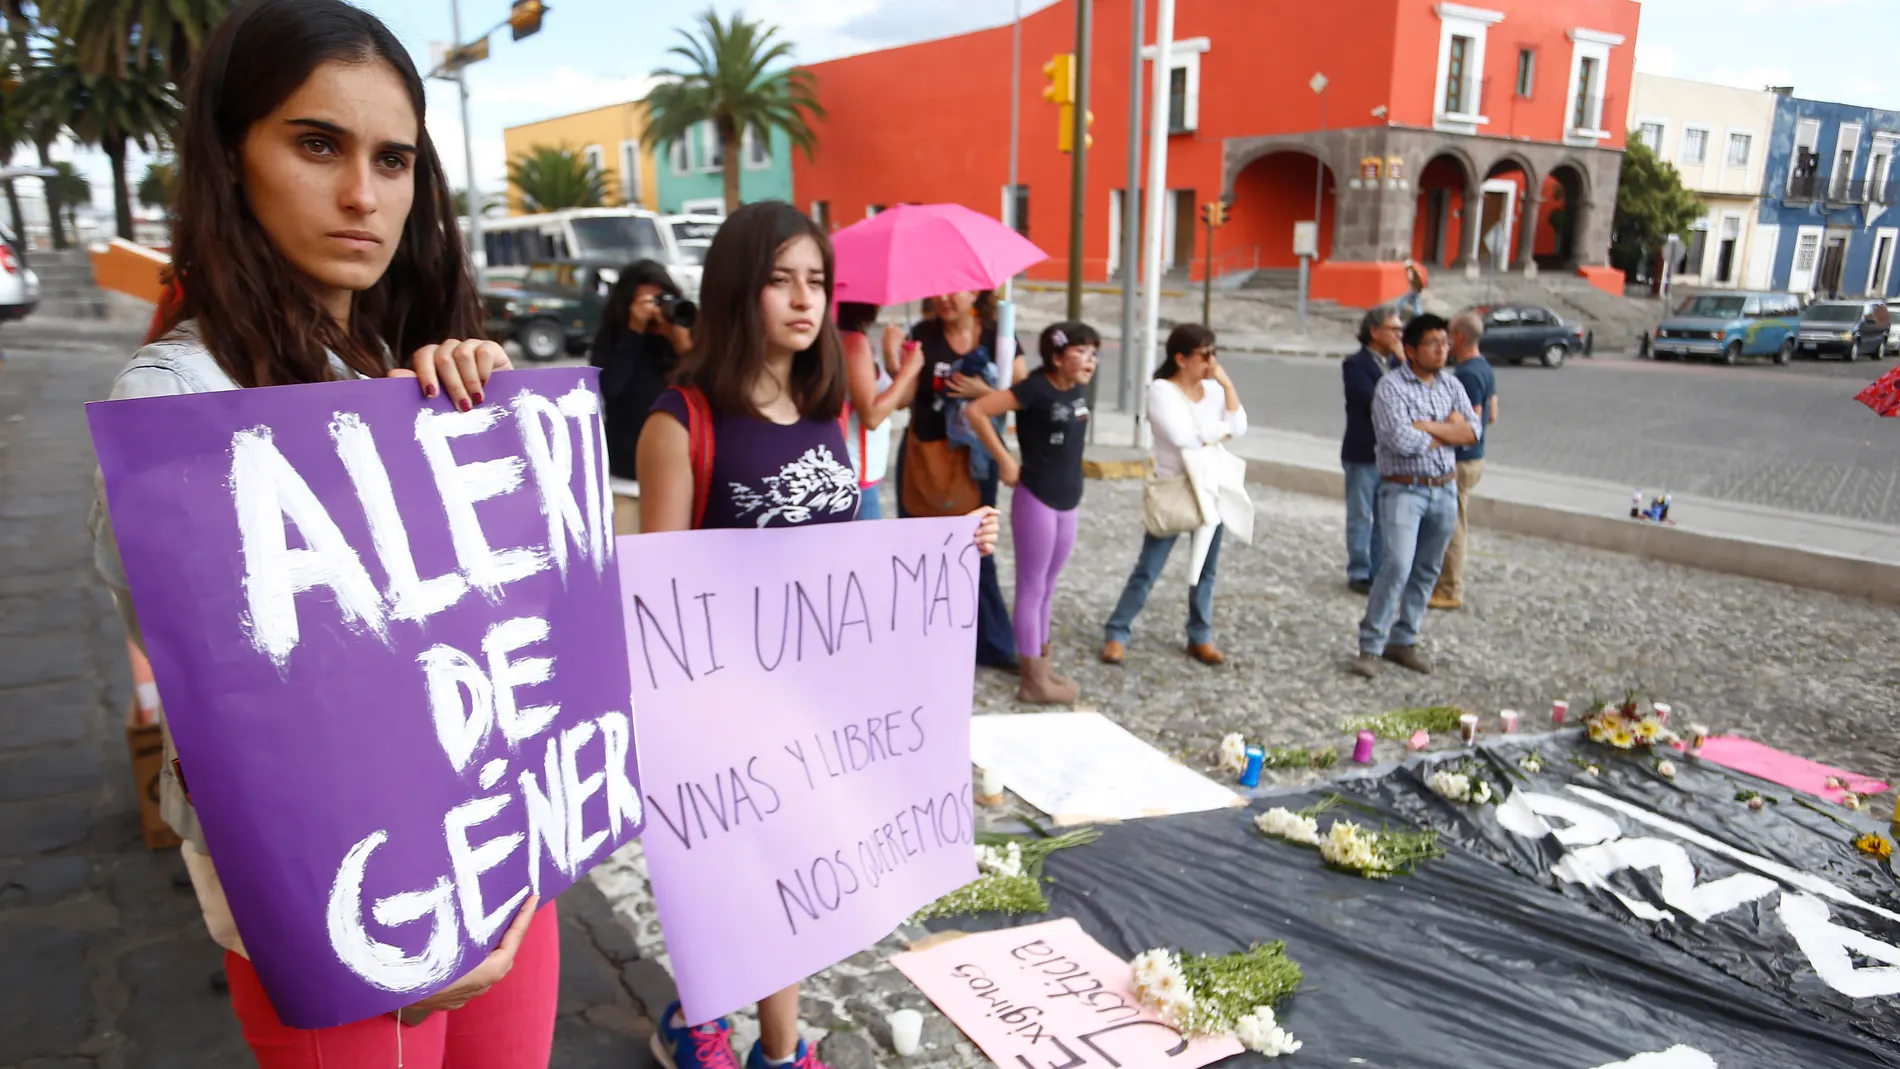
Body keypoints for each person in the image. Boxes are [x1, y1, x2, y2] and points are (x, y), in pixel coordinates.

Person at [87, 1, 550, 1064]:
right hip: (346, 904)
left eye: (393, 161)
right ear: (228, 157)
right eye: (316, 145)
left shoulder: (401, 365)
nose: (362, 196)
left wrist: (484, 424)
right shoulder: (176, 398)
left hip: (498, 854)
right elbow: (234, 711)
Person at [635, 200, 999, 1069]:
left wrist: (949, 548)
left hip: (819, 695)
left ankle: (757, 1038)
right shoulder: (679, 422)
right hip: (726, 707)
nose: (805, 300)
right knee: (739, 877)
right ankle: (727, 1029)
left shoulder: (824, 408)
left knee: (794, 875)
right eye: (780, 280)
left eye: (817, 281)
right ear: (737, 289)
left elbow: (841, 553)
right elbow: (661, 597)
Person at [966, 321, 1099, 702]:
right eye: (1080, 352)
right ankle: (1031, 680)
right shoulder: (1034, 388)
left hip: (1069, 498)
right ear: (1057, 357)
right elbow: (978, 411)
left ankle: (1042, 663)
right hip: (1036, 498)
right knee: (1032, 585)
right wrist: (1005, 460)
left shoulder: (1076, 388)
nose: (1090, 360)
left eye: (1093, 353)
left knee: (1049, 585)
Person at [1101, 324, 1247, 668]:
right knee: (1149, 567)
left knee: (1206, 568)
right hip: (1176, 487)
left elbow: (1239, 427)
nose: (1211, 362)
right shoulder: (1162, 390)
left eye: (1214, 353)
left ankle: (1200, 636)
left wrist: (1227, 385)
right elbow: (1183, 438)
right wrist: (1219, 434)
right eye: (1205, 355)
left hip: (1211, 486)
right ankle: (1117, 631)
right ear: (1181, 358)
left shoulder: (1215, 389)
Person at [900, 289, 1027, 671]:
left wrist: (983, 393)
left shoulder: (997, 334)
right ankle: (924, 639)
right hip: (925, 456)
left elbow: (1021, 393)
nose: (944, 297)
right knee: (920, 549)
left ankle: (994, 643)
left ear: (976, 292)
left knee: (977, 549)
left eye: (955, 290)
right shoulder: (922, 333)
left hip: (977, 460)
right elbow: (905, 397)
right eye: (938, 290)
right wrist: (895, 357)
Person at [1350, 313, 1480, 678]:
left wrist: (1427, 428)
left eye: (1445, 343)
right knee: (1397, 565)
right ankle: (1370, 645)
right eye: (1433, 343)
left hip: (1445, 487)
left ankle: (1404, 640)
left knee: (1427, 569)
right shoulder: (1390, 388)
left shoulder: (1452, 385)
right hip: (1404, 489)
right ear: (1410, 350)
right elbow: (1401, 441)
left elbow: (1473, 432)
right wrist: (1449, 430)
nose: (1442, 350)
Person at [594, 258, 693, 481]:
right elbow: (610, 387)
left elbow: (708, 389)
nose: (656, 310)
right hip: (628, 465)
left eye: (662, 300)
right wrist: (634, 332)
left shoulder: (684, 334)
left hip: (680, 463)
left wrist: (680, 342)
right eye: (648, 302)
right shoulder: (614, 336)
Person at [1430, 311, 1499, 611]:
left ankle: (1449, 589)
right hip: (1475, 458)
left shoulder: (1467, 375)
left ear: (1458, 337)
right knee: (1453, 520)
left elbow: (1470, 419)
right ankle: (1441, 581)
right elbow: (1492, 414)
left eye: (1447, 334)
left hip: (1460, 460)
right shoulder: (1484, 368)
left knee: (1453, 526)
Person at [837, 301, 923, 519]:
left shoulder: (854, 340)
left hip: (863, 475)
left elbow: (900, 402)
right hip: (857, 477)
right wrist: (908, 371)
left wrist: (893, 358)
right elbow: (872, 417)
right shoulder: (853, 342)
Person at [1342, 306, 1402, 594]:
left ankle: (1379, 569)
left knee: (1385, 517)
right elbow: (1373, 402)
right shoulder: (1355, 364)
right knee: (1360, 514)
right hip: (1363, 452)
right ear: (1375, 332)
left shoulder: (1399, 366)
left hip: (1391, 455)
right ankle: (1359, 570)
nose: (1400, 335)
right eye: (1394, 329)